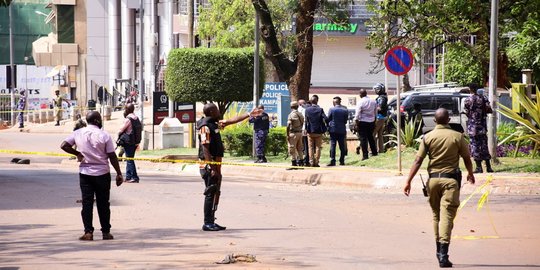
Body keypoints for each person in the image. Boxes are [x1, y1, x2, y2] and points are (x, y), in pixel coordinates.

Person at [403, 108, 475, 268]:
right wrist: (470, 173)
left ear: (435, 121)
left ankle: (438, 250)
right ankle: (443, 254)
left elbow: (417, 161)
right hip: (450, 181)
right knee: (447, 216)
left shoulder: (428, 137)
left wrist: (408, 181)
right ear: (448, 120)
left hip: (433, 181)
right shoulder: (457, 136)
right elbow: (467, 158)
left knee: (436, 215)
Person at [197, 103, 261, 231]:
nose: (218, 112)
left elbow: (231, 121)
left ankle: (212, 220)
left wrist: (249, 114)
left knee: (216, 192)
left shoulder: (214, 123)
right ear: (210, 112)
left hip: (216, 165)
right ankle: (207, 223)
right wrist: (213, 168)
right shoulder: (205, 126)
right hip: (209, 166)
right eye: (216, 110)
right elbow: (205, 148)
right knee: (210, 191)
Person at [60, 111, 124, 241]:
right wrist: (118, 173)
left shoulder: (78, 133)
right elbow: (112, 155)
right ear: (96, 121)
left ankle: (88, 232)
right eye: (100, 119)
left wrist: (77, 153)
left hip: (85, 174)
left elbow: (64, 145)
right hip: (102, 173)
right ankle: (106, 232)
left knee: (87, 203)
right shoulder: (104, 135)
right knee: (103, 204)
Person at [464, 83, 494, 173]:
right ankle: (488, 167)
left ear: (470, 89)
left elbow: (466, 111)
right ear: (477, 89)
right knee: (484, 146)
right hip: (482, 126)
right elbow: (490, 110)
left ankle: (478, 167)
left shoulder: (468, 100)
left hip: (473, 127)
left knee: (475, 146)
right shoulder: (484, 98)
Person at [118, 104, 140, 183]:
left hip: (128, 142)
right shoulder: (136, 118)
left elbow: (120, 130)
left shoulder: (128, 119)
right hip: (135, 142)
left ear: (127, 109)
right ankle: (128, 176)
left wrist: (117, 137)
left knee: (130, 160)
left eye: (125, 108)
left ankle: (134, 177)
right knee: (129, 158)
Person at [354, 89, 378, 160]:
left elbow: (357, 113)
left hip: (363, 122)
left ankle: (365, 155)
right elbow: (375, 112)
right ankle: (374, 152)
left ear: (360, 94)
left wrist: (356, 122)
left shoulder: (360, 102)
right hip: (371, 122)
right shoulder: (373, 101)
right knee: (371, 137)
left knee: (363, 139)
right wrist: (375, 121)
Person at [304, 96, 327, 167]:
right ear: (317, 101)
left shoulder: (307, 110)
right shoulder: (320, 109)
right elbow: (326, 118)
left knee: (310, 147)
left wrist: (305, 129)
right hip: (319, 131)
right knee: (318, 147)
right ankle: (316, 162)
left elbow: (306, 121)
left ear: (311, 101)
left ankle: (311, 162)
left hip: (310, 130)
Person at [327, 96, 348, 166]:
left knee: (333, 145)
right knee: (342, 146)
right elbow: (345, 121)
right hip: (342, 129)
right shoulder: (345, 110)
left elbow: (328, 119)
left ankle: (333, 160)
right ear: (340, 102)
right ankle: (342, 160)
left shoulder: (331, 109)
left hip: (333, 129)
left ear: (334, 102)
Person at [286, 101, 305, 169]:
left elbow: (288, 125)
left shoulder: (291, 114)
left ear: (291, 107)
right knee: (300, 148)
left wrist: (287, 134)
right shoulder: (300, 114)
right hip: (300, 133)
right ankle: (301, 162)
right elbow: (303, 122)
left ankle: (294, 163)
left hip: (293, 134)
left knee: (292, 148)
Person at [373, 83, 388, 153]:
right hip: (382, 117)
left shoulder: (381, 98)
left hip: (379, 117)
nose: (375, 90)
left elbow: (380, 108)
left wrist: (373, 108)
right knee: (380, 135)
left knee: (372, 134)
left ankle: (372, 150)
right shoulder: (383, 97)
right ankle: (381, 150)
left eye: (377, 89)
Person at [298, 99, 310, 166]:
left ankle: (306, 160)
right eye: (303, 103)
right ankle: (300, 160)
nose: (305, 104)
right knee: (300, 146)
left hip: (304, 130)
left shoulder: (306, 110)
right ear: (300, 104)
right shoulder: (298, 111)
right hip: (300, 130)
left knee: (305, 146)